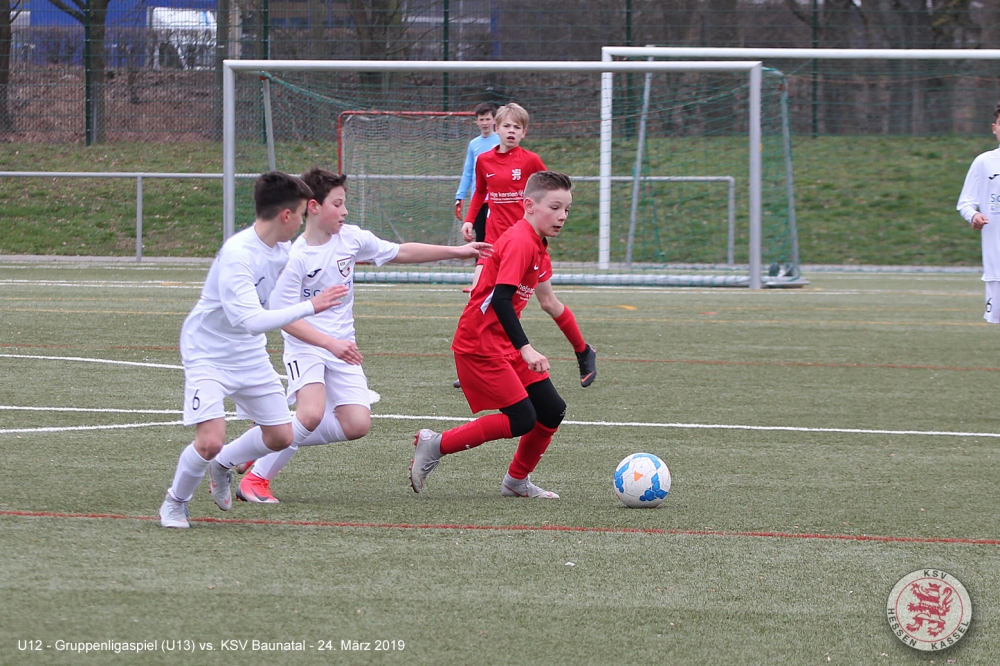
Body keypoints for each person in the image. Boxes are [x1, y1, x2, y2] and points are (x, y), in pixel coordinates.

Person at [213, 168, 492, 504]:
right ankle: (256, 479)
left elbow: (399, 252)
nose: (345, 211)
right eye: (338, 204)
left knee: (356, 424)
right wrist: (329, 343)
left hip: (342, 346)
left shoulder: (352, 239)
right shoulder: (295, 257)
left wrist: (458, 252)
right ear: (313, 207)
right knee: (311, 414)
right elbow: (285, 319)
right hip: (308, 346)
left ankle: (266, 440)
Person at [158, 172, 348, 528]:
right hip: (208, 353)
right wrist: (312, 306)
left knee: (281, 436)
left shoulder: (283, 251)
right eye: (300, 215)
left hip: (248, 354)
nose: (302, 222)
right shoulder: (239, 255)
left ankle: (223, 465)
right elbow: (251, 320)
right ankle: (175, 502)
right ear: (286, 216)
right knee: (210, 441)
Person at [410, 171, 575, 498]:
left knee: (551, 410)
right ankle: (435, 444)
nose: (562, 217)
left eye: (567, 210)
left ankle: (516, 482)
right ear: (529, 205)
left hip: (502, 342)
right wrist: (526, 348)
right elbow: (500, 299)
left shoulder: (536, 243)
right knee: (522, 418)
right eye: (555, 207)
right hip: (480, 343)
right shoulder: (520, 241)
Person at [461, 102, 597, 388]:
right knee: (480, 298)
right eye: (506, 126)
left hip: (526, 245)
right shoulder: (483, 160)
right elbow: (481, 192)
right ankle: (483, 360)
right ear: (496, 129)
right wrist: (470, 219)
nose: (511, 131)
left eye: (518, 127)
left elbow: (552, 192)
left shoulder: (531, 161)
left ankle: (583, 350)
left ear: (525, 132)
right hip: (494, 244)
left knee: (547, 302)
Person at [958, 101, 1000, 325]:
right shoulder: (984, 162)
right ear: (994, 128)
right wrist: (973, 216)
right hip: (997, 262)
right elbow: (965, 203)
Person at [455, 102, 501, 294]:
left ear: (494, 120)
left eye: (487, 119)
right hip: (479, 201)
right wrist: (460, 196)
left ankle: (501, 279)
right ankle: (480, 282)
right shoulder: (474, 145)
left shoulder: (502, 140)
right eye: (481, 119)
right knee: (480, 240)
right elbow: (468, 172)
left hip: (498, 200)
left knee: (499, 239)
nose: (484, 123)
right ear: (476, 121)